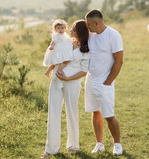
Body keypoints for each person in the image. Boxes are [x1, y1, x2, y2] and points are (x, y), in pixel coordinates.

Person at [41, 20, 90, 158]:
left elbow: (84, 72)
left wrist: (68, 78)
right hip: (56, 81)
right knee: (53, 112)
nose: (70, 31)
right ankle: (51, 149)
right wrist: (50, 68)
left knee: (72, 113)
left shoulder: (85, 49)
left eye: (73, 29)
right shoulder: (64, 40)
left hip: (72, 83)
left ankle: (73, 145)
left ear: (79, 31)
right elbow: (54, 56)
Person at [85, 9, 123, 155]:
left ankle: (117, 144)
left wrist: (108, 82)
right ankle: (99, 143)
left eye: (89, 24)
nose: (88, 27)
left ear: (96, 23)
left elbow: (119, 61)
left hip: (105, 82)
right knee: (95, 112)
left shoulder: (113, 35)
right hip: (91, 80)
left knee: (108, 115)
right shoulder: (91, 35)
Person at [43, 19, 73, 88]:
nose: (60, 30)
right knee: (58, 62)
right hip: (58, 51)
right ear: (55, 29)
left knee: (58, 62)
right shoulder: (56, 36)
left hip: (63, 51)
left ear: (65, 29)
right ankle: (58, 71)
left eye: (62, 28)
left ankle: (48, 71)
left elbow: (68, 40)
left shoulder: (65, 35)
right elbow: (53, 42)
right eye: (58, 28)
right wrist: (51, 46)